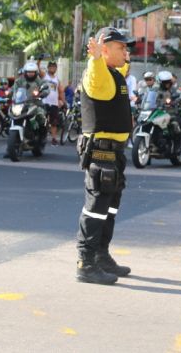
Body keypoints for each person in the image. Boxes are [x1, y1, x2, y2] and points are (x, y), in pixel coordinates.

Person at [76, 26, 134, 285]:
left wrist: (122, 62)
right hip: (101, 153)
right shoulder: (98, 73)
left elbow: (119, 72)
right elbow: (97, 72)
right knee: (96, 210)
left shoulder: (113, 73)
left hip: (114, 155)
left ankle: (101, 256)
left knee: (109, 208)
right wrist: (96, 57)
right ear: (106, 49)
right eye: (121, 47)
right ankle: (86, 264)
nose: (126, 50)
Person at [14, 62, 48, 133]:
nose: (30, 73)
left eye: (32, 72)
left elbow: (46, 88)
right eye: (29, 72)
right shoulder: (19, 80)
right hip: (21, 104)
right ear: (25, 72)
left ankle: (41, 133)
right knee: (13, 114)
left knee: (40, 116)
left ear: (36, 72)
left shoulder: (39, 80)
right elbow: (14, 89)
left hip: (35, 103)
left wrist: (43, 93)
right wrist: (11, 95)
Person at [40, 61, 65, 146]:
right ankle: (41, 136)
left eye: (54, 67)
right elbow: (38, 69)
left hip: (54, 103)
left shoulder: (57, 80)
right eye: (51, 67)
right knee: (42, 120)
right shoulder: (44, 76)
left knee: (54, 122)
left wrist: (62, 101)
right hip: (44, 102)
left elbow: (60, 91)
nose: (52, 68)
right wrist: (39, 60)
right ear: (48, 68)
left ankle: (54, 139)